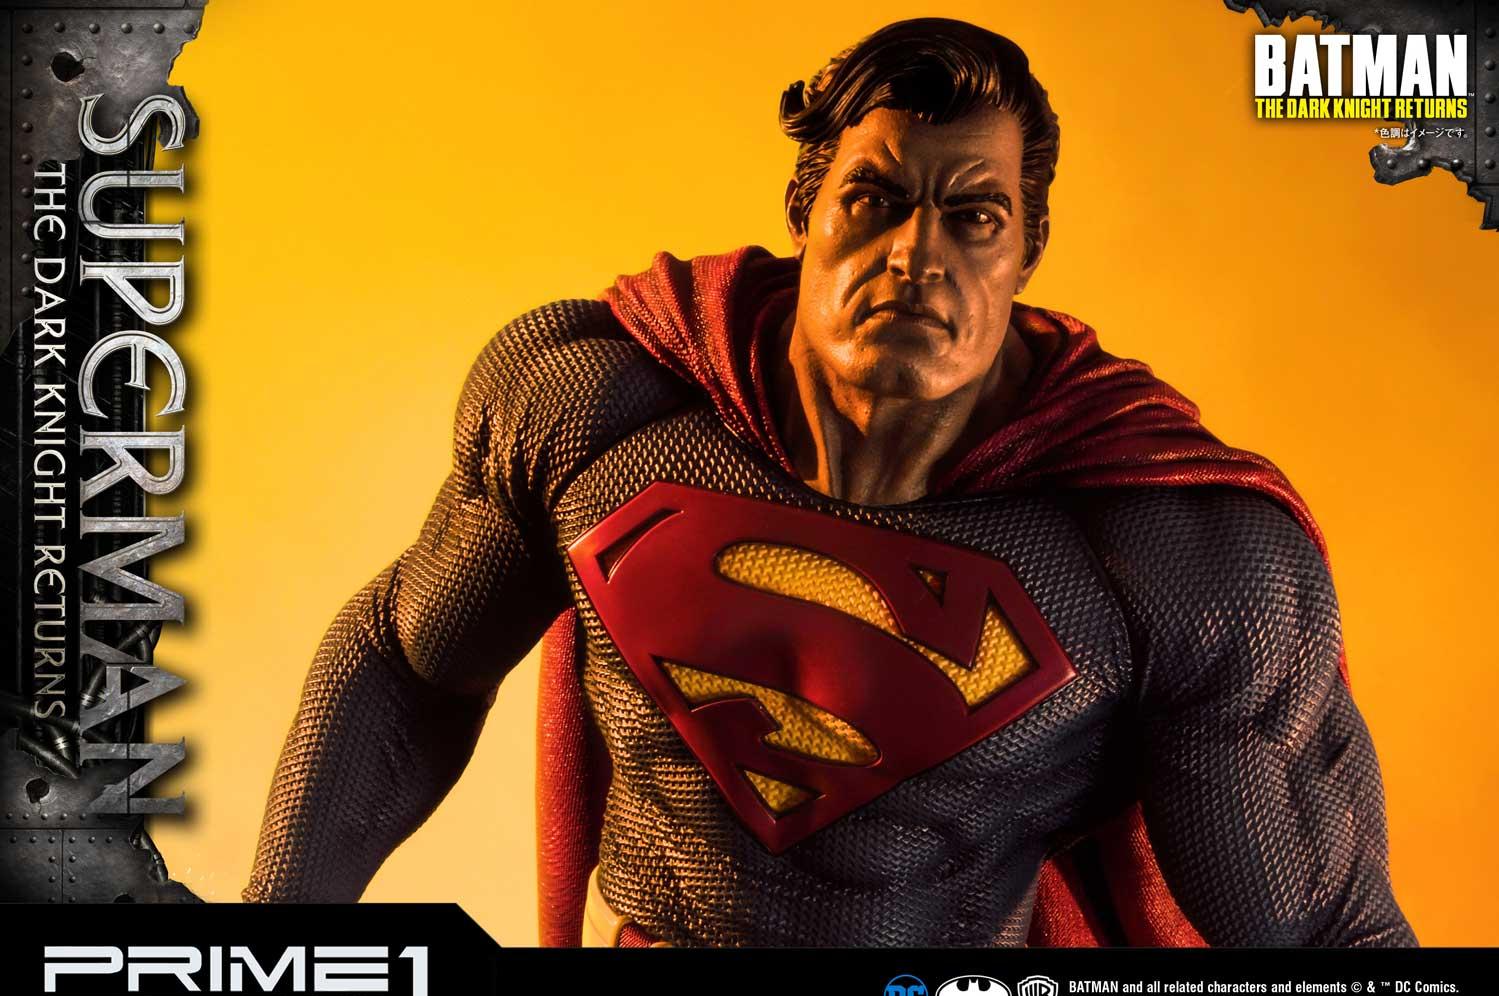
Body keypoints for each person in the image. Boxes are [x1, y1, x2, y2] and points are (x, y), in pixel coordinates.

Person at [243, 18, 1415, 948]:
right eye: (875, 200)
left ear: (1024, 252)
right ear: (806, 211)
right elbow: (406, 667)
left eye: (972, 218)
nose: (914, 254)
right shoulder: (597, 411)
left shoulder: (1173, 554)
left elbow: (1321, 928)